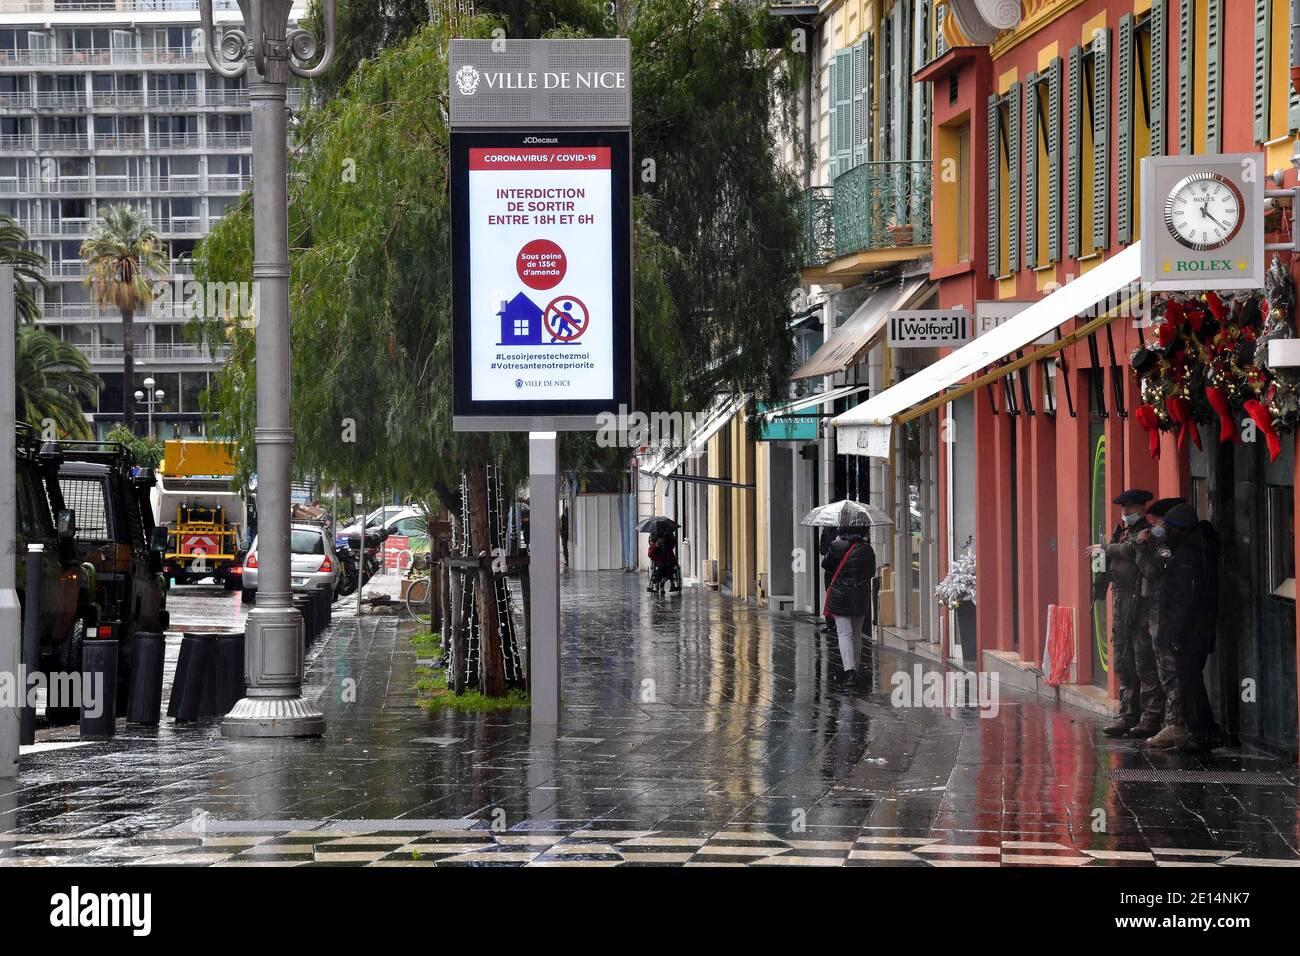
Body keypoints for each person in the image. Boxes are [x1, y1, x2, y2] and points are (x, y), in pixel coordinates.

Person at [1087, 489, 1165, 738]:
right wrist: (1100, 582)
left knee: (1144, 663)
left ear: (1141, 508)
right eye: (1123, 510)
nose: (1125, 513)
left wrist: (1105, 548)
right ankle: (1127, 714)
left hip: (1140, 604)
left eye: (1129, 509)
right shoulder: (1121, 532)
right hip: (1122, 602)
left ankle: (1151, 717)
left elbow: (1130, 552)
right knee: (1123, 661)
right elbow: (1110, 562)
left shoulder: (1146, 533)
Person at [1154, 503, 1220, 754]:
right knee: (1192, 681)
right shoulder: (1191, 550)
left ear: (1178, 529)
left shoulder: (1187, 557)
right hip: (1195, 630)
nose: (1164, 531)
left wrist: (1177, 635)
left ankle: (1200, 733)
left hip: (1190, 633)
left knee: (1189, 682)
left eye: (1167, 527)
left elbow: (1185, 600)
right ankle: (1205, 729)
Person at [1133, 497, 1186, 749]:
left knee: (1168, 669)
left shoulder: (1167, 546)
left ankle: (1177, 722)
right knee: (1160, 667)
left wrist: (1142, 547)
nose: (1151, 524)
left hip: (1165, 614)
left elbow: (1152, 571)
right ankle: (1171, 720)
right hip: (1156, 613)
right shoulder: (1162, 542)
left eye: (1155, 520)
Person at [821, 526, 876, 685]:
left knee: (845, 634)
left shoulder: (836, 546)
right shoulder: (867, 549)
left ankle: (849, 671)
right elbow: (871, 572)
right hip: (861, 595)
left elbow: (827, 567)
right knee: (857, 634)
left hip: (841, 596)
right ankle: (855, 669)